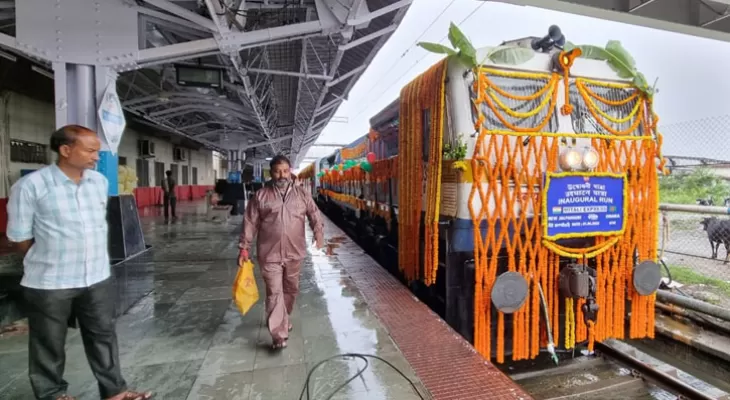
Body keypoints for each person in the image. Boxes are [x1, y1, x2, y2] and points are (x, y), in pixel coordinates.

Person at [6, 125, 152, 400]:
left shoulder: (98, 183)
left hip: (97, 277)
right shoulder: (31, 186)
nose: (96, 156)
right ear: (65, 150)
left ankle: (115, 391)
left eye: (97, 150)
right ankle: (52, 394)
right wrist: (47, 258)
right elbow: (19, 237)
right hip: (50, 281)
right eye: (90, 150)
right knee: (48, 342)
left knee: (103, 336)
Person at [239, 155, 325, 349]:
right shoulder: (261, 196)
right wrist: (244, 247)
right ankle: (279, 334)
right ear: (271, 173)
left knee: (291, 290)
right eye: (277, 172)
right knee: (274, 292)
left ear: (290, 170)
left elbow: (314, 213)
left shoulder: (302, 194)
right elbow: (250, 222)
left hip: (295, 252)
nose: (282, 175)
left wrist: (318, 232)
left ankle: (283, 318)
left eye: (285, 171)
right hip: (269, 254)